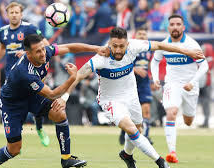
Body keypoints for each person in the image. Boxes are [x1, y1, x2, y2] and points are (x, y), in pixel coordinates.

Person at [62, 27, 204, 168]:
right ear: (109, 44)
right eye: (114, 46)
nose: (117, 50)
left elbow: (160, 45)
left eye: (121, 46)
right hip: (110, 100)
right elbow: (79, 76)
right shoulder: (101, 58)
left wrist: (187, 52)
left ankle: (126, 154)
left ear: (128, 44)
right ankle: (160, 162)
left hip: (131, 96)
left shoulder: (134, 46)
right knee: (132, 129)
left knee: (137, 129)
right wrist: (64, 98)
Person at [0, 34, 107, 168]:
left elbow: (69, 47)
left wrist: (95, 48)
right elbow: (52, 94)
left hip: (31, 96)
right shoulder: (24, 73)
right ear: (28, 54)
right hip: (12, 104)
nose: (43, 54)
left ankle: (66, 159)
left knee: (59, 113)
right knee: (14, 149)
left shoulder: (45, 52)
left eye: (43, 49)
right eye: (38, 51)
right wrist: (72, 78)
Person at [0, 2, 50, 147]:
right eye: (12, 13)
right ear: (7, 15)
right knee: (14, 108)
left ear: (21, 14)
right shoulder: (3, 31)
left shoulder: (29, 28)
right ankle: (15, 141)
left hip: (30, 73)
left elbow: (45, 44)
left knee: (39, 100)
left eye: (17, 12)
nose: (14, 15)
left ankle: (40, 128)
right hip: (13, 77)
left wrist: (27, 53)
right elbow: (2, 48)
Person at [151, 14, 209, 163]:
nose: (175, 27)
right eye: (172, 24)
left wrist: (193, 81)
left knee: (188, 120)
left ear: (183, 27)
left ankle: (188, 116)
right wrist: (156, 78)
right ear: (168, 27)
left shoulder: (191, 44)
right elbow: (155, 61)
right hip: (172, 84)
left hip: (191, 86)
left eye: (178, 24)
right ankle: (172, 153)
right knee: (171, 113)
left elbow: (204, 65)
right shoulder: (163, 44)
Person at [119, 27, 154, 145]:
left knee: (146, 110)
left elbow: (151, 66)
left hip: (144, 85)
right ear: (134, 36)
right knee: (128, 113)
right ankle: (124, 133)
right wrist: (134, 69)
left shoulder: (150, 51)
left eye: (144, 34)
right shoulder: (129, 49)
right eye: (140, 34)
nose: (142, 36)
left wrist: (153, 80)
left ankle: (146, 136)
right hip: (130, 84)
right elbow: (121, 65)